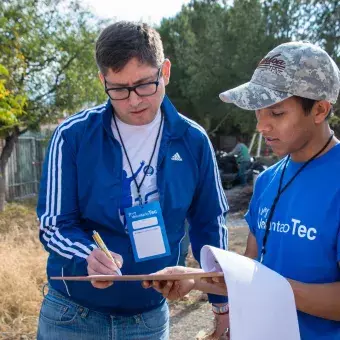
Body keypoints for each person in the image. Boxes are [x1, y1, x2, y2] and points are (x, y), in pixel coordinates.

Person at [36, 21, 229, 340]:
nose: (134, 100)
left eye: (144, 85)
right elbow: (55, 224)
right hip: (72, 317)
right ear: (103, 81)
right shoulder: (73, 136)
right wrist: (87, 255)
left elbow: (209, 222)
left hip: (149, 321)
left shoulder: (192, 140)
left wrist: (222, 306)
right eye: (119, 90)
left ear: (165, 71)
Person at [143, 41, 340, 339]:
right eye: (257, 113)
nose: (262, 126)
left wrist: (274, 289)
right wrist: (194, 279)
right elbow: (249, 274)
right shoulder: (268, 180)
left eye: (276, 113)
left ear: (319, 109)